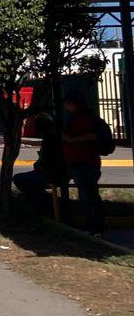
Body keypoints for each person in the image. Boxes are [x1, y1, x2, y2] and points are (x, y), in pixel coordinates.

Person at [60, 95, 111, 236]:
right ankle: (92, 225)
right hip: (79, 162)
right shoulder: (77, 117)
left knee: (89, 195)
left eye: (66, 103)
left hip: (84, 162)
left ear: (72, 103)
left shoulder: (83, 118)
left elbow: (92, 136)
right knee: (87, 195)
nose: (65, 106)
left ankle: (96, 227)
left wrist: (70, 139)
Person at [11, 112, 64, 215]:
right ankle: (48, 203)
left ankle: (46, 205)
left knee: (18, 179)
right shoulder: (53, 137)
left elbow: (48, 161)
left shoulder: (50, 139)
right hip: (54, 172)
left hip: (52, 174)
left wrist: (39, 165)